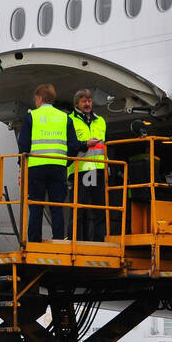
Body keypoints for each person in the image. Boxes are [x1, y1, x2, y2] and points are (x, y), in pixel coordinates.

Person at [16, 83, 82, 242]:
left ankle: (34, 241)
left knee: (36, 206)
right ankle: (58, 240)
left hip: (36, 168)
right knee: (57, 206)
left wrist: (21, 168)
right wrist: (64, 162)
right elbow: (74, 146)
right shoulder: (64, 117)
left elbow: (23, 145)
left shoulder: (32, 116)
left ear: (39, 98)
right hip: (58, 167)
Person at [68, 89, 107, 241]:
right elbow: (70, 145)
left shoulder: (100, 121)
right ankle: (75, 240)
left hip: (97, 169)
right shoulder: (69, 120)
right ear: (77, 103)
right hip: (81, 170)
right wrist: (85, 144)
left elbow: (104, 146)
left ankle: (100, 240)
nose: (87, 103)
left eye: (89, 100)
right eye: (84, 101)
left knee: (100, 208)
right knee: (78, 208)